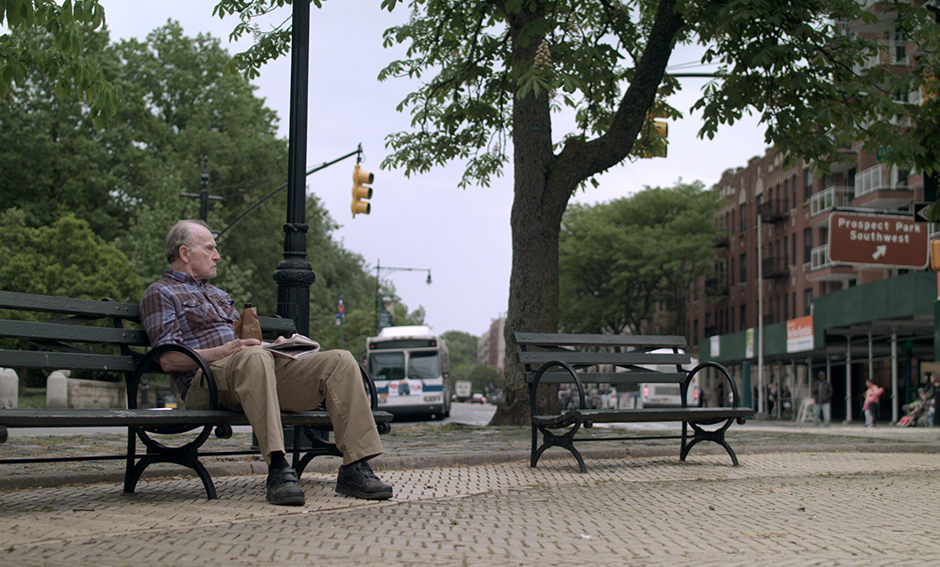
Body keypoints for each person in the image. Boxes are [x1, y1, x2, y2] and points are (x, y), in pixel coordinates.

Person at [140, 220, 392, 506]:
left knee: (340, 361)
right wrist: (231, 349)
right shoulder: (161, 293)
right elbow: (169, 359)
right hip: (204, 383)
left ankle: (355, 468)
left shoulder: (219, 296)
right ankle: (277, 467)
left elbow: (247, 347)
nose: (217, 255)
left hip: (249, 371)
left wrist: (277, 347)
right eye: (210, 248)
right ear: (185, 254)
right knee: (254, 357)